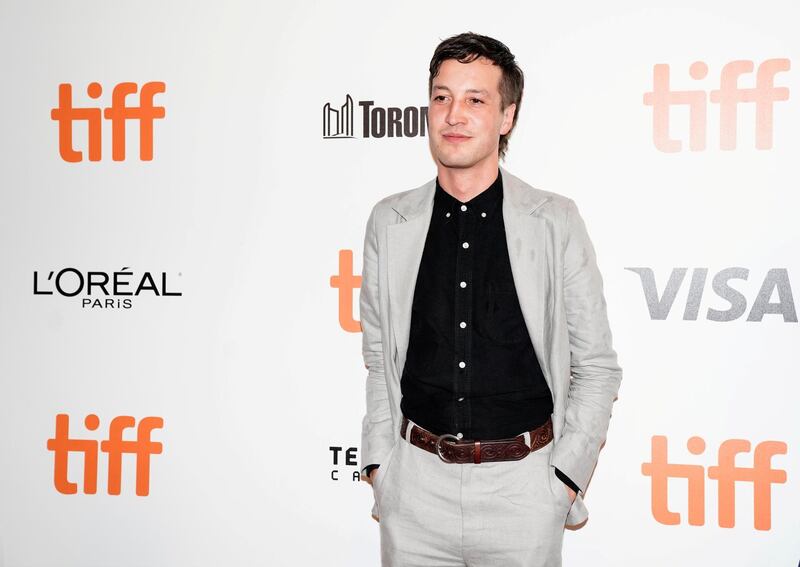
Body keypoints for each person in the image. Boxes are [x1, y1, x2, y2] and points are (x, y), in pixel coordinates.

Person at [358, 31, 622, 567]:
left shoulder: (554, 220)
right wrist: (381, 468)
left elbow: (596, 366)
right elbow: (377, 356)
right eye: (441, 96)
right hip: (414, 493)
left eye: (475, 99)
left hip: (524, 494)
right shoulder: (390, 221)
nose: (453, 114)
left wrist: (564, 478)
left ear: (507, 117)